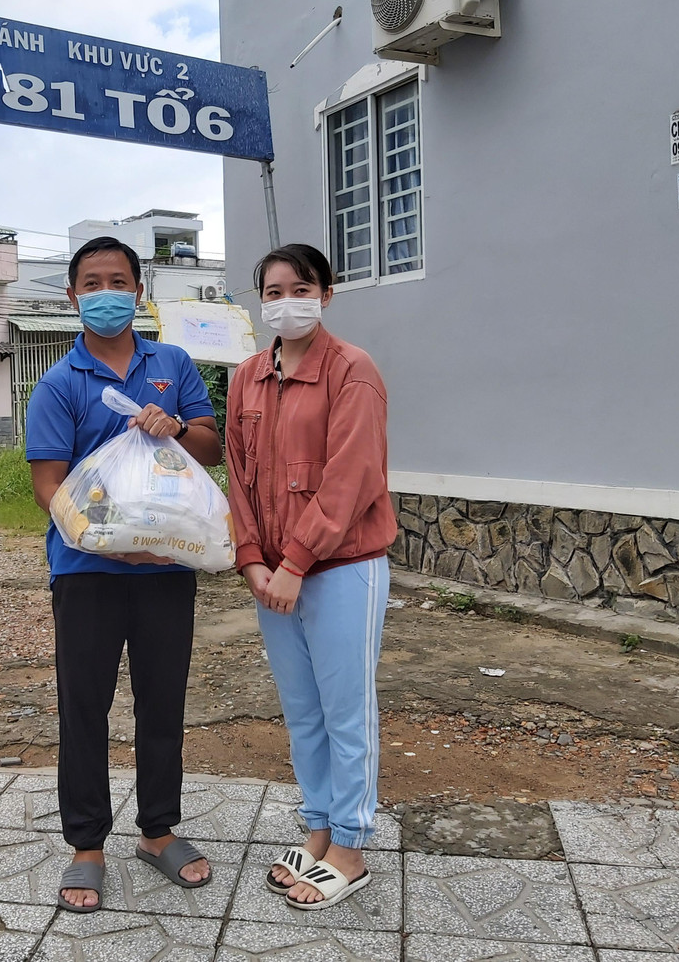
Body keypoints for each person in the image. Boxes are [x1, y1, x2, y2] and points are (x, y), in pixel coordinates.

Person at [26, 235, 223, 913]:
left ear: (139, 291)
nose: (106, 292)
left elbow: (211, 446)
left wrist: (176, 428)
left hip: (168, 565)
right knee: (84, 707)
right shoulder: (60, 384)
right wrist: (114, 547)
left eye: (118, 281)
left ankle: (158, 830)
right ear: (72, 296)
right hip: (87, 573)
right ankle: (87, 845)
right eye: (92, 282)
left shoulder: (171, 363)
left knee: (162, 702)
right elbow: (48, 486)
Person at [225, 243, 397, 911]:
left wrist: (296, 562)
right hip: (272, 577)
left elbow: (353, 476)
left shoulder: (352, 370)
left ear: (326, 294)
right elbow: (238, 475)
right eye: (273, 292)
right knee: (303, 713)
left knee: (346, 710)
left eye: (301, 289)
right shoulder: (247, 377)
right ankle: (319, 828)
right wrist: (252, 559)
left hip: (341, 568)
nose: (286, 302)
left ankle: (350, 847)